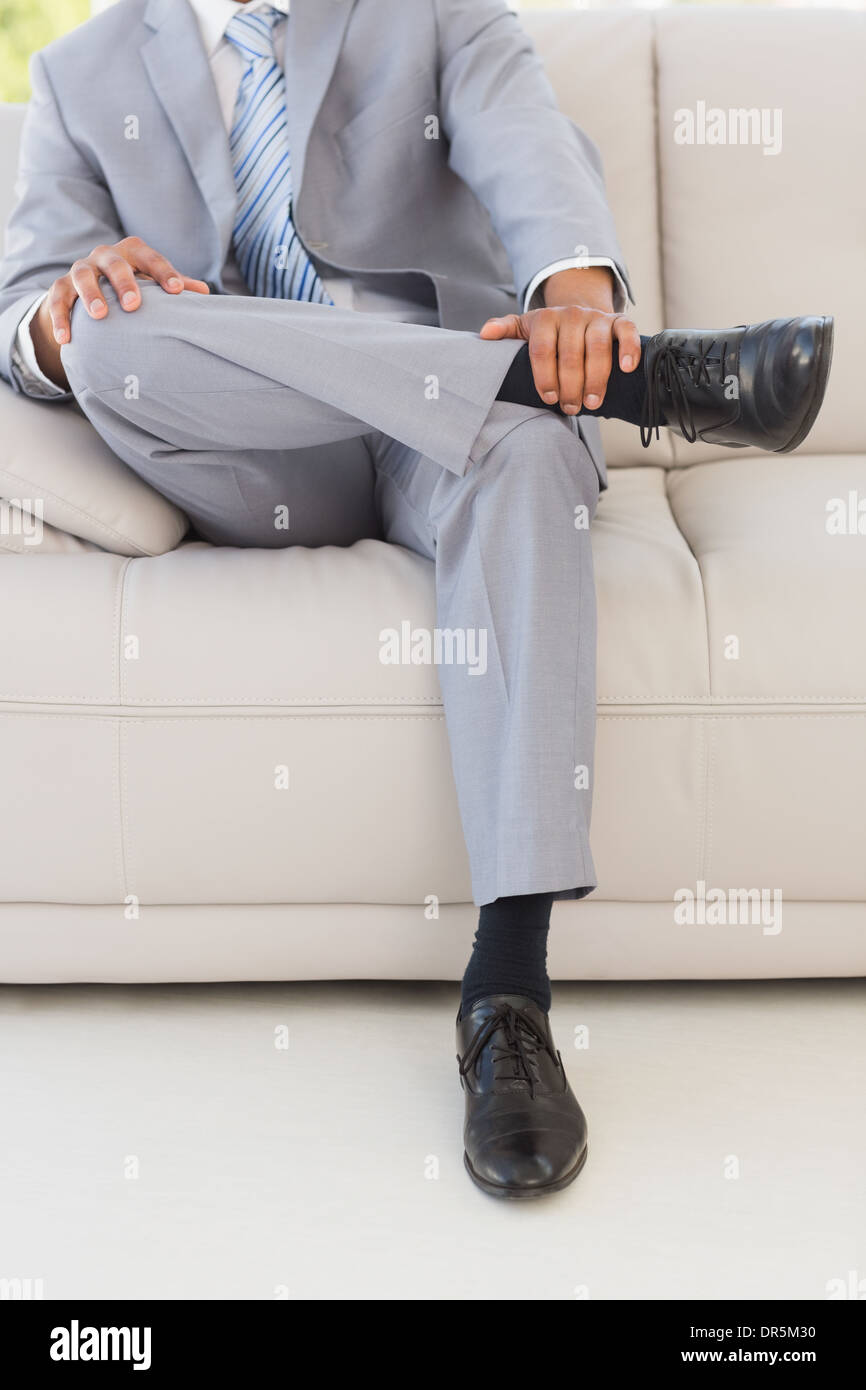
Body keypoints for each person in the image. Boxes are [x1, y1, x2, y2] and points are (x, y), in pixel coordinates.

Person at [0, 0, 832, 1200]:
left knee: (532, 452)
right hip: (256, 446)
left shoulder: (421, 8)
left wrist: (580, 297)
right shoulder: (83, 75)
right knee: (115, 339)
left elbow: (526, 145)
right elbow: (25, 299)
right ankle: (620, 388)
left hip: (441, 442)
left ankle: (509, 997)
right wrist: (58, 310)